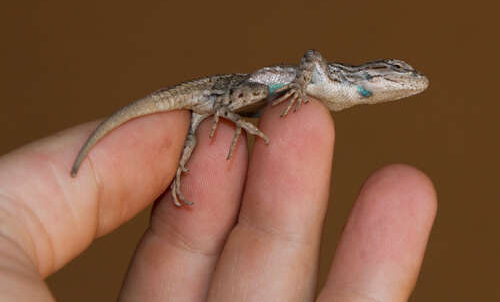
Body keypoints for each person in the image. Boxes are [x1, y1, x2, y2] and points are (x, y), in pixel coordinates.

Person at [0, 100, 436, 301]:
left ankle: (207, 133)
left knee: (202, 137)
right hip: (222, 92)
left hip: (223, 101)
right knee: (210, 131)